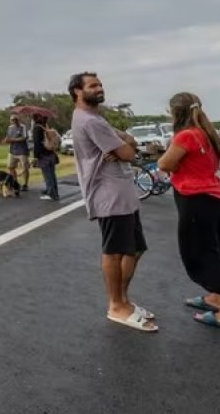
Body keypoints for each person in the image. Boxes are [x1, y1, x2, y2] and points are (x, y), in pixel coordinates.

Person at [69, 72, 157, 332]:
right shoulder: (90, 121)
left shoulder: (97, 119)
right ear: (77, 91)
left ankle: (123, 300)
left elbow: (128, 143)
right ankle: (116, 306)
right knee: (115, 250)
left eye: (100, 84)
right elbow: (129, 153)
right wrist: (124, 147)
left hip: (122, 192)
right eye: (92, 85)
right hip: (109, 194)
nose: (99, 88)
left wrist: (123, 144)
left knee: (135, 248)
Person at [156, 93, 220, 332]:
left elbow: (164, 164)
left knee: (202, 253)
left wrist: (163, 154)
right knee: (213, 249)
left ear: (175, 112)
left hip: (196, 199)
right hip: (213, 198)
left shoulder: (186, 135)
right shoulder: (204, 133)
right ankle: (215, 297)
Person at [32, 115, 60, 201]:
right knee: (52, 175)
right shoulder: (46, 127)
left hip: (43, 155)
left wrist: (36, 157)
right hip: (50, 153)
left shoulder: (37, 129)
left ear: (35, 119)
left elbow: (37, 144)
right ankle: (54, 192)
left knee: (47, 176)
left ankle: (51, 194)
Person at [3, 115, 30, 190]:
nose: (14, 121)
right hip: (12, 151)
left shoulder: (23, 127)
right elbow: (7, 137)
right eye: (12, 120)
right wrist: (5, 140)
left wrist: (12, 140)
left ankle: (25, 184)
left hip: (22, 151)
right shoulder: (9, 128)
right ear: (10, 120)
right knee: (10, 167)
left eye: (15, 119)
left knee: (25, 168)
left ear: (19, 119)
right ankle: (15, 183)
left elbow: (25, 137)